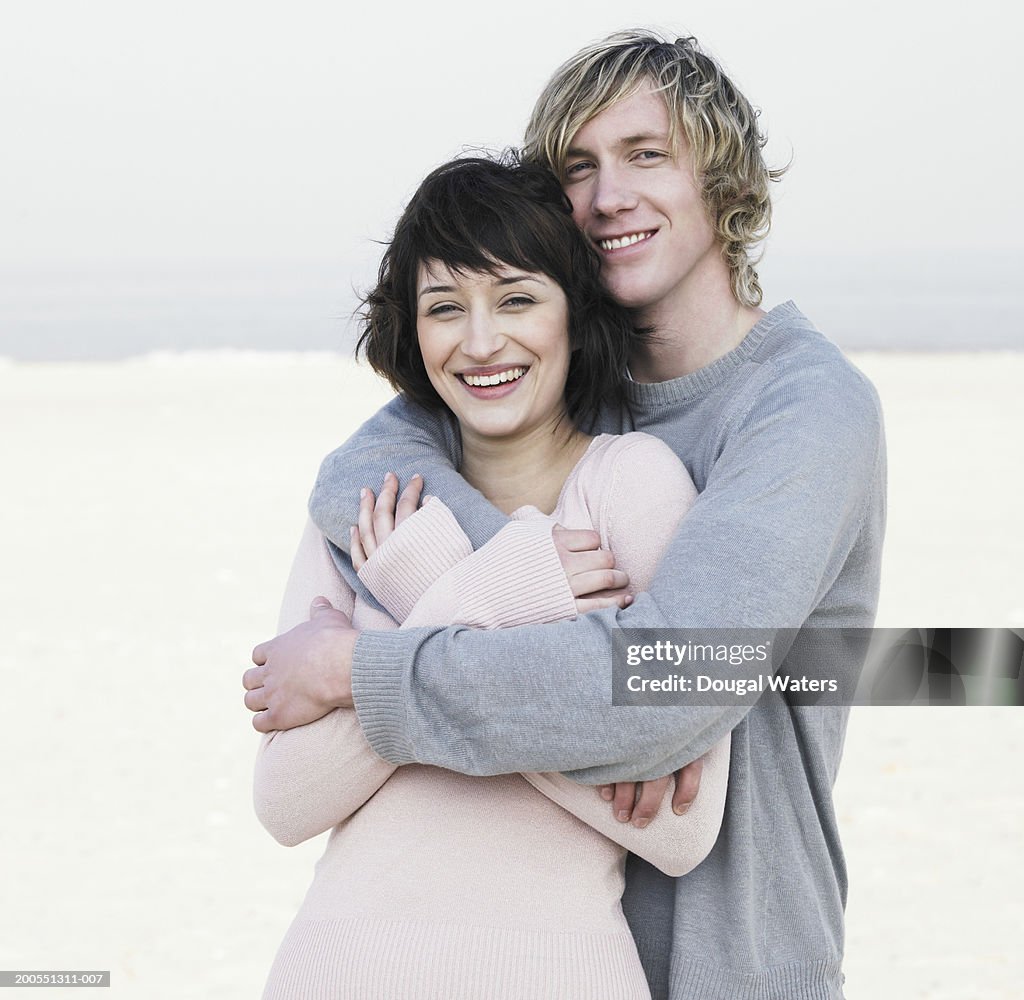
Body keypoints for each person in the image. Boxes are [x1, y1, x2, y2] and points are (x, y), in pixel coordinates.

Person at [244, 30, 886, 1000]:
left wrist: (364, 657)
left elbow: (667, 685)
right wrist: (555, 655)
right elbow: (359, 471)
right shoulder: (562, 387)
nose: (605, 196)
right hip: (570, 937)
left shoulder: (802, 407)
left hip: (733, 945)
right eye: (577, 167)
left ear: (723, 177)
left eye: (644, 154)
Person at [253, 154, 731, 999]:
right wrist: (485, 602)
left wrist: (384, 643)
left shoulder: (633, 485)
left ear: (574, 314)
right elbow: (286, 803)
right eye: (444, 308)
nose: (480, 342)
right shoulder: (377, 502)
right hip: (337, 971)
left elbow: (681, 828)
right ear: (412, 330)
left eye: (516, 299)